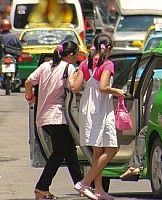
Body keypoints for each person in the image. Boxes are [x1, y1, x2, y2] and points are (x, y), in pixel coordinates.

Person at [24, 41, 83, 199]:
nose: (77, 58)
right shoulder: (68, 68)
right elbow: (73, 87)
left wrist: (30, 97)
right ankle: (41, 187)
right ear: (70, 55)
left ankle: (82, 185)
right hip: (58, 117)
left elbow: (28, 82)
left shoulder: (45, 66)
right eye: (76, 55)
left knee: (69, 151)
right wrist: (81, 73)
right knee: (59, 152)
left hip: (43, 117)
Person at [69, 33, 124, 200]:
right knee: (112, 149)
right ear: (107, 49)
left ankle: (98, 190)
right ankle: (85, 183)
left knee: (97, 151)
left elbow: (75, 87)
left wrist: (72, 77)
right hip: (101, 109)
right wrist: (118, 91)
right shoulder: (108, 64)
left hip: (88, 108)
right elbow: (103, 87)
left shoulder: (85, 64)